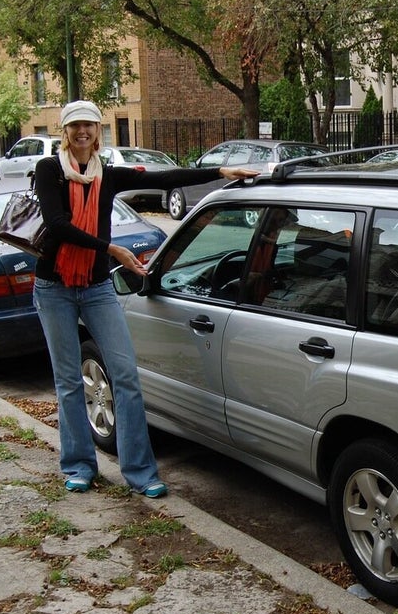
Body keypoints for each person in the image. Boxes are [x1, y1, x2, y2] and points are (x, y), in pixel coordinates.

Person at [34, 100, 259, 497]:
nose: (83, 132)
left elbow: (165, 175)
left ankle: (139, 471)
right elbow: (57, 225)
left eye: (90, 126)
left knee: (125, 376)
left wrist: (221, 171)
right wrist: (112, 249)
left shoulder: (109, 175)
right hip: (54, 287)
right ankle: (79, 466)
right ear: (64, 131)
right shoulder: (49, 170)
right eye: (76, 126)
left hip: (97, 287)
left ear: (97, 131)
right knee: (69, 380)